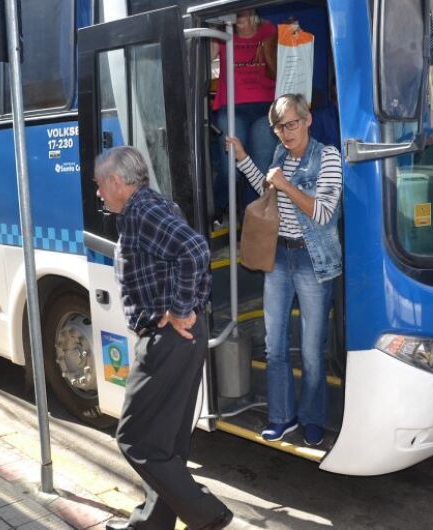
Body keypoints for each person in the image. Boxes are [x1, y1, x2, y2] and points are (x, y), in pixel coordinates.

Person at [94, 146, 232, 530]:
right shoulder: (153, 204)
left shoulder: (141, 212)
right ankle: (151, 524)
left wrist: (179, 308)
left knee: (134, 438)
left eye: (100, 185)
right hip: (183, 336)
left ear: (117, 182)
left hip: (166, 338)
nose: (99, 193)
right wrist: (187, 309)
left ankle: (207, 514)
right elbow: (186, 253)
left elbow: (193, 249)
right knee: (166, 443)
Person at [226, 93, 342, 446]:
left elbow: (323, 213)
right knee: (274, 346)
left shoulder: (329, 157)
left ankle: (312, 417)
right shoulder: (279, 155)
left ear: (307, 120)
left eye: (292, 123)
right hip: (278, 258)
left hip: (312, 261)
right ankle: (281, 417)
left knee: (310, 350)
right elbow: (266, 189)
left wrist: (286, 184)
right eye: (279, 127)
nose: (286, 133)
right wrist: (245, 158)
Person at [211, 9, 279, 218]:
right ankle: (215, 208)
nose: (239, 13)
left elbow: (282, 61)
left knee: (258, 171)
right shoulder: (222, 31)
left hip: (264, 107)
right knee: (230, 170)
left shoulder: (268, 30)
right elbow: (202, 62)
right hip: (231, 106)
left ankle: (251, 221)